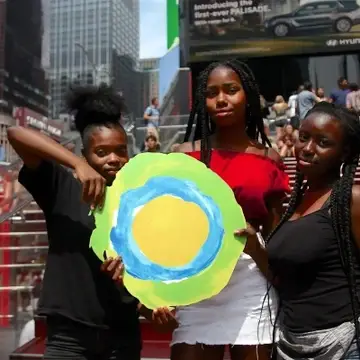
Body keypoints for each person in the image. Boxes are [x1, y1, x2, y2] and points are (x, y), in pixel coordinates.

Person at [7, 84, 174, 360]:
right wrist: (76, 165)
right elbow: (16, 134)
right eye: (101, 152)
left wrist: (146, 301)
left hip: (122, 337)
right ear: (84, 153)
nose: (114, 159)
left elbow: (147, 278)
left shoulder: (141, 199)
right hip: (68, 338)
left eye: (121, 150)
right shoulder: (60, 185)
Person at [171, 60, 289, 360]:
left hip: (250, 286)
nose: (221, 99)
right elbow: (168, 229)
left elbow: (276, 237)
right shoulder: (184, 156)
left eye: (231, 90)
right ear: (202, 101)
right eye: (212, 93)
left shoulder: (269, 158)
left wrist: (261, 257)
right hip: (196, 284)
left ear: (246, 95)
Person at [247, 102, 360, 359]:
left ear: (344, 153)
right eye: (304, 137)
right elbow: (279, 278)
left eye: (323, 142)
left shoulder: (351, 200)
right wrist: (255, 249)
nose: (307, 149)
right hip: (290, 344)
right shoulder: (296, 202)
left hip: (344, 346)